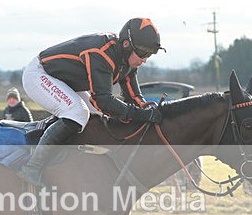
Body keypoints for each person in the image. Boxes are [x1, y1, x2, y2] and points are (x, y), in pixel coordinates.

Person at [17, 17, 165, 186]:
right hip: (40, 74)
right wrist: (139, 114)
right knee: (77, 112)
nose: (145, 59)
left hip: (66, 81)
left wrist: (149, 111)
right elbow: (103, 100)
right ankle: (32, 167)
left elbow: (133, 97)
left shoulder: (128, 60)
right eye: (143, 53)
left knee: (98, 117)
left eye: (149, 55)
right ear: (126, 44)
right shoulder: (101, 53)